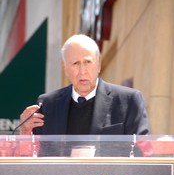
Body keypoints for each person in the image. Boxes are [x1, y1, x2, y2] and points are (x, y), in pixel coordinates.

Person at [20, 34, 149, 136]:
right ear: (64, 67)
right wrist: (25, 132)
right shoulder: (48, 104)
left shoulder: (129, 101)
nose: (82, 71)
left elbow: (142, 153)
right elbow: (34, 157)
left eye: (88, 62)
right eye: (75, 63)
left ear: (98, 63)